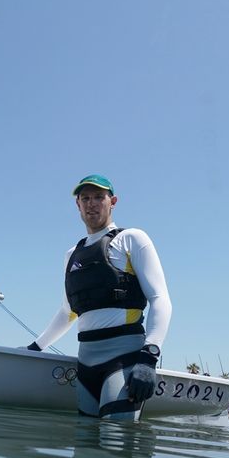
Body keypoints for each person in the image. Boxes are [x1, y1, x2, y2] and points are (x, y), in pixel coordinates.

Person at [26, 174, 172, 420]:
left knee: (114, 446)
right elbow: (67, 312)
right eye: (85, 198)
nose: (91, 203)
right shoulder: (72, 254)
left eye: (98, 197)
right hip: (86, 362)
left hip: (124, 358)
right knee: (85, 449)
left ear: (112, 201)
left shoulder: (132, 239)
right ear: (78, 205)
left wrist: (149, 357)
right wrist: (35, 347)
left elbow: (160, 298)